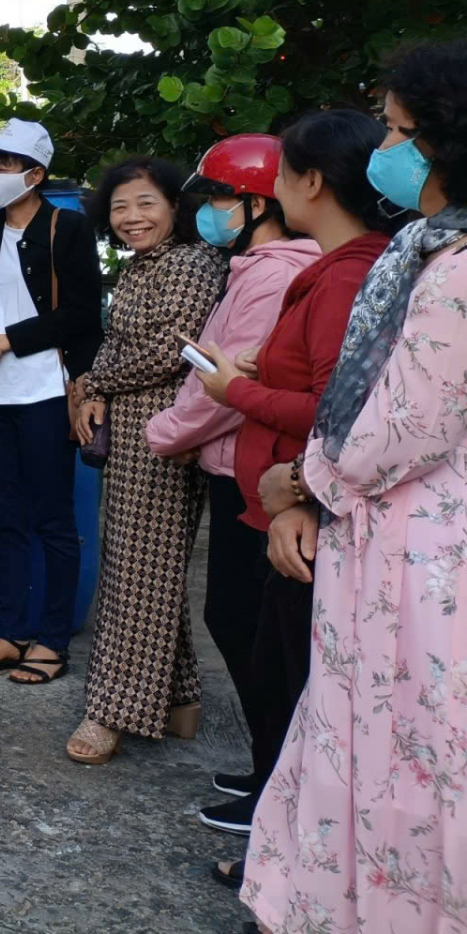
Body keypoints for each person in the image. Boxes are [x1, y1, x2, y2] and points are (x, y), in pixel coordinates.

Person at [242, 41, 467, 934]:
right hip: (386, 529)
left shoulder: (454, 268)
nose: (388, 148)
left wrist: (299, 482)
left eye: (400, 130)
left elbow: (407, 422)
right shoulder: (423, 248)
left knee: (400, 743)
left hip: (415, 549)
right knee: (360, 732)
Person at [182, 112, 393, 870]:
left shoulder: (343, 276)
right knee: (270, 656)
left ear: (308, 182)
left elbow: (338, 411)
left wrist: (237, 392)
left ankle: (289, 836)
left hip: (301, 509)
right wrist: (255, 372)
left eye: (278, 175)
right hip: (276, 499)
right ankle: (276, 796)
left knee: (288, 671)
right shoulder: (337, 268)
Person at [142, 134, 320, 817]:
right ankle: (269, 769)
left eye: (219, 198)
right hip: (232, 462)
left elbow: (226, 388)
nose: (208, 212)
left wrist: (165, 434)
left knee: (248, 628)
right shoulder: (251, 268)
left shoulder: (273, 277)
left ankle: (279, 786)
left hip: (257, 475)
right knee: (243, 624)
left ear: (256, 204)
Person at [67, 157, 227, 765]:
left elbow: (171, 351)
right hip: (132, 432)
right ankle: (181, 698)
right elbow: (119, 342)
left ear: (175, 208)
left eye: (146, 204)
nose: (131, 218)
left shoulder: (190, 262)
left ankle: (112, 712)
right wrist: (98, 390)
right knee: (145, 569)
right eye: (120, 207)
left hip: (165, 435)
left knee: (137, 577)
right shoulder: (143, 265)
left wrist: (92, 383)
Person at [0, 119, 104, 687]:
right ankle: (12, 633)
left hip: (44, 392)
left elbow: (82, 314)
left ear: (34, 175)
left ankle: (53, 641)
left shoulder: (69, 229)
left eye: (2, 164)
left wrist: (6, 340)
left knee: (54, 520)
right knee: (4, 518)